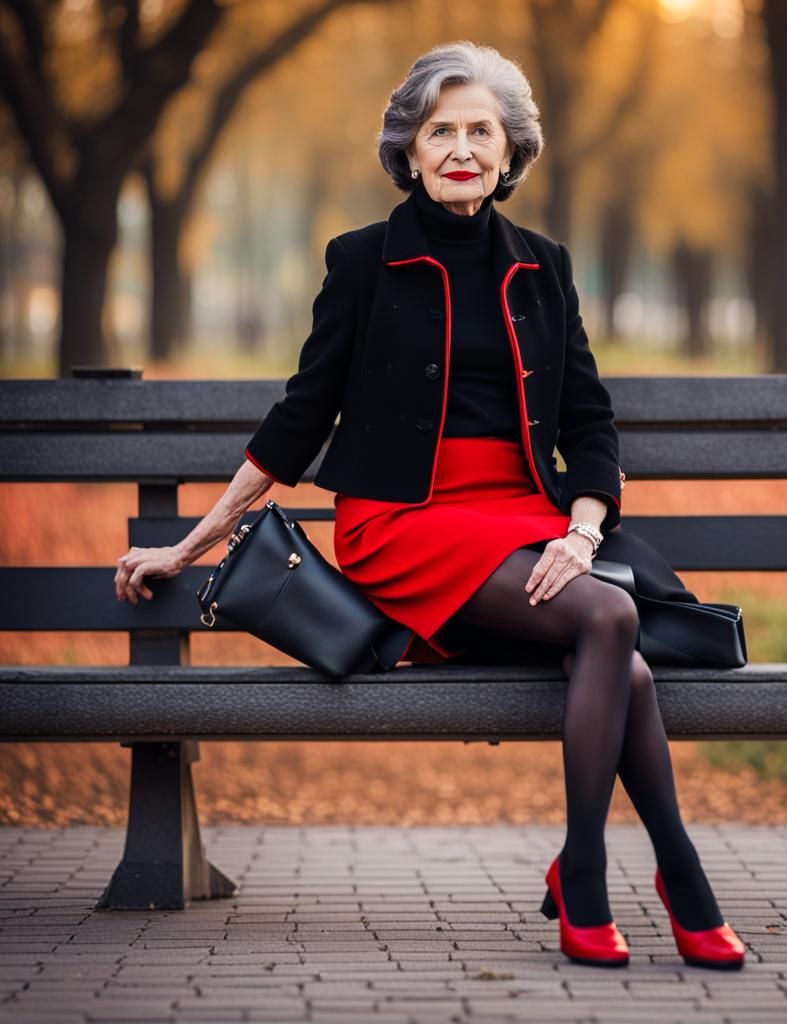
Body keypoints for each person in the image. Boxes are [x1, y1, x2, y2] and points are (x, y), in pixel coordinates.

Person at [112, 40, 745, 971]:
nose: (461, 148)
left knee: (627, 664)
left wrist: (582, 526)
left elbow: (591, 424)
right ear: (409, 151)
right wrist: (189, 546)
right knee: (610, 615)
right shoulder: (363, 262)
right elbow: (297, 423)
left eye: (480, 131)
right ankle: (631, 875)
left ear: (510, 151)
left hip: (526, 522)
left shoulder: (545, 266)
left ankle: (610, 874)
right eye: (440, 130)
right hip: (405, 526)